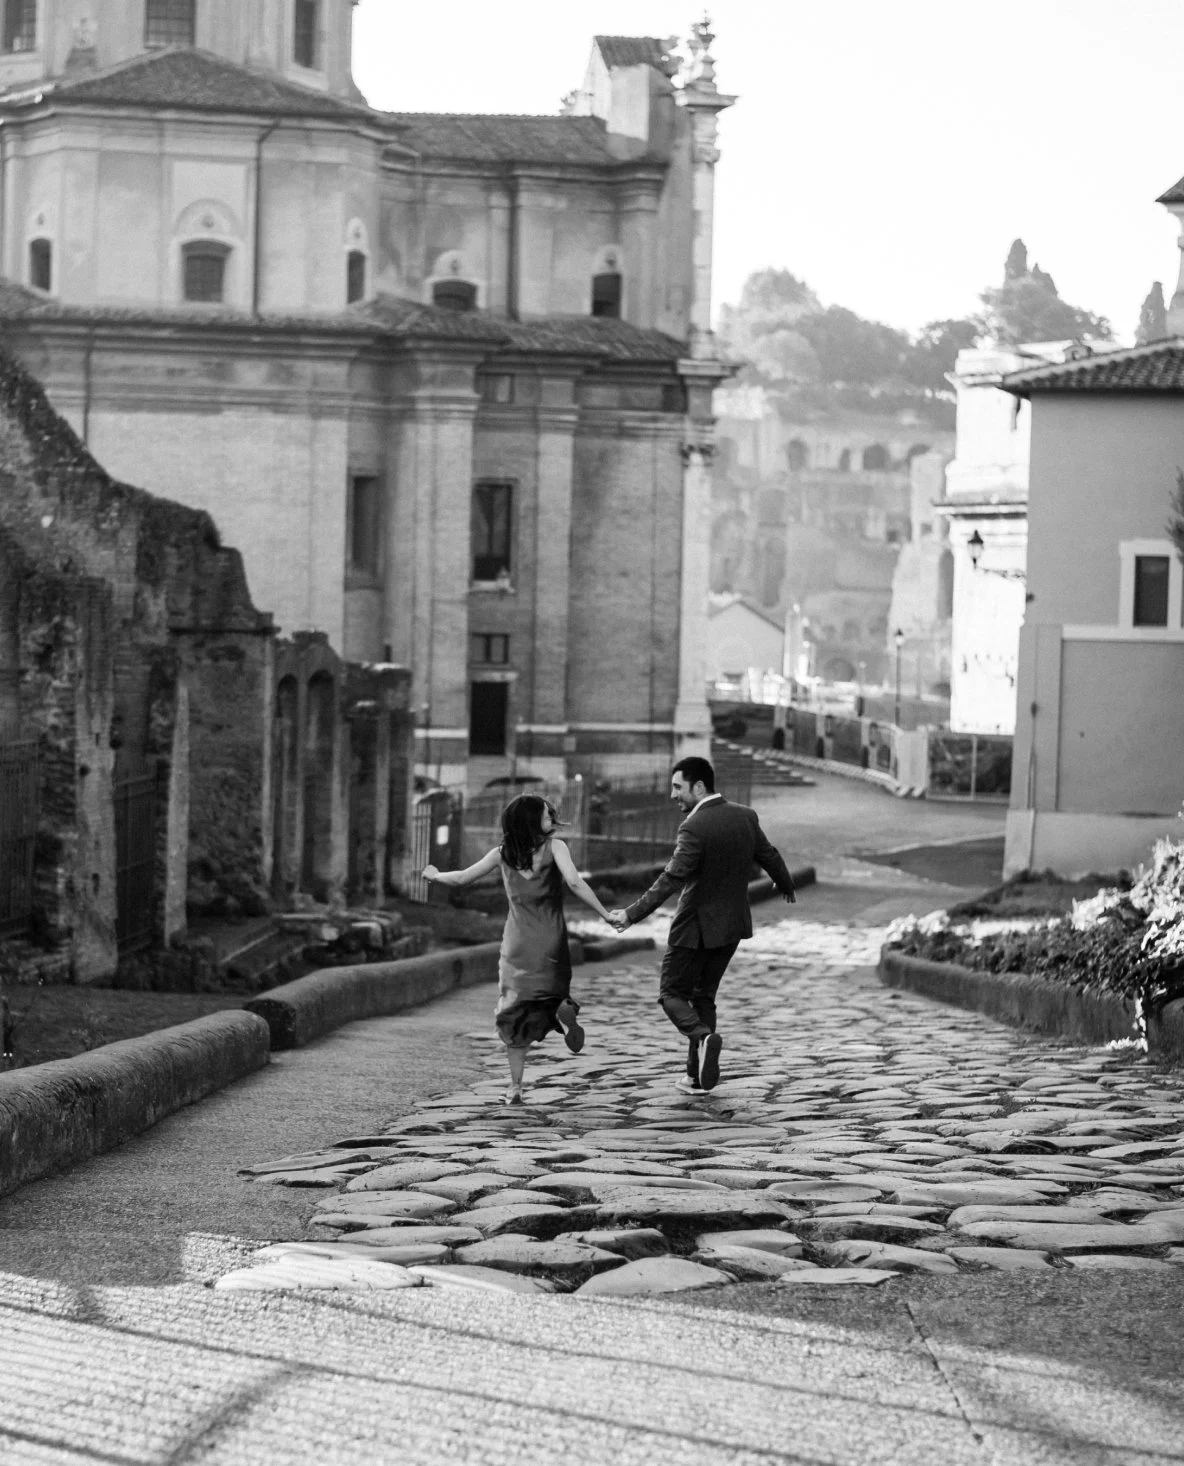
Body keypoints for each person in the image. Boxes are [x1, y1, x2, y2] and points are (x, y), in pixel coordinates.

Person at [608, 756, 796, 1093]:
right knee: (704, 996)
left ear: (699, 786)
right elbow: (768, 854)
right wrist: (785, 884)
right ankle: (696, 1076)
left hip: (693, 926)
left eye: (677, 787)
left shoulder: (693, 827)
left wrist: (631, 914)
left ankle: (702, 1037)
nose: (672, 795)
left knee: (671, 994)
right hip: (733, 926)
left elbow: (671, 878)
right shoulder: (745, 816)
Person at [423, 793, 617, 1105]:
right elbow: (575, 883)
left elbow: (461, 879)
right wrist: (605, 914)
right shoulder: (556, 847)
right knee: (551, 991)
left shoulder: (501, 854)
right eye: (546, 815)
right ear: (532, 821)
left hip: (517, 941)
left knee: (514, 1009)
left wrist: (434, 875)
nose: (552, 819)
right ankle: (560, 1009)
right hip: (550, 937)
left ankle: (515, 1088)